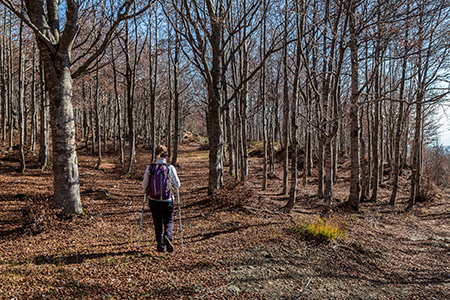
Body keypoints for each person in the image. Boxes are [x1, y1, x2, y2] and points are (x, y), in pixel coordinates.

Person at [142, 145, 180, 252]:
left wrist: (145, 190)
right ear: (166, 155)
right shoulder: (170, 167)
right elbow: (177, 184)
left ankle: (161, 245)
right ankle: (168, 236)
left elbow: (144, 184)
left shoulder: (150, 167)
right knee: (168, 220)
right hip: (167, 200)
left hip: (153, 199)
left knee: (157, 222)